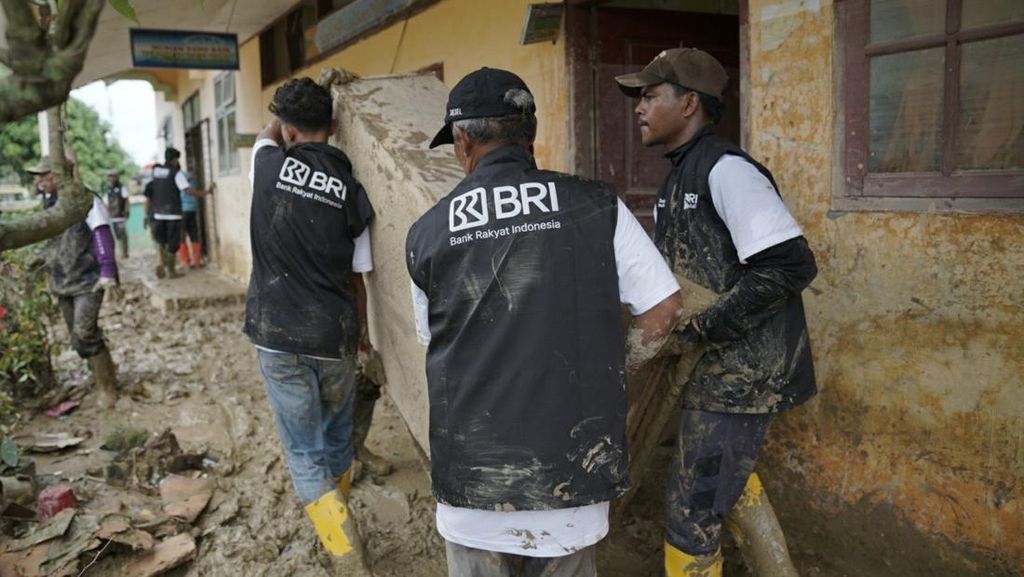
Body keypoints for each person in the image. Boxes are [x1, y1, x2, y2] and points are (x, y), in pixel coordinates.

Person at [406, 67, 682, 577]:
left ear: (462, 139)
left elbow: (436, 344)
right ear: (529, 132)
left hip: (473, 485)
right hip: (570, 482)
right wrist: (613, 375)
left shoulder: (427, 233)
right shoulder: (598, 206)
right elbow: (663, 310)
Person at [615, 47, 818, 576]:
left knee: (692, 508)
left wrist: (707, 325)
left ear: (688, 104)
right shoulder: (680, 175)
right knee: (725, 475)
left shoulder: (726, 170)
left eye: (651, 96)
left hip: (741, 370)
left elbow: (790, 265)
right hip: (717, 369)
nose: (639, 107)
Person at [244, 77, 375, 573]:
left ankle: (345, 552)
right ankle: (335, 515)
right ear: (336, 128)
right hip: (335, 337)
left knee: (303, 451)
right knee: (337, 438)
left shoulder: (267, 165)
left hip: (278, 338)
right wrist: (360, 339)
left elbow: (267, 132)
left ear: (289, 131)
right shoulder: (353, 192)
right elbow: (359, 278)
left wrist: (287, 114)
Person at [26, 157, 121, 408]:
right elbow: (54, 242)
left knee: (84, 331)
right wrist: (39, 260)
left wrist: (108, 270)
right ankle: (104, 372)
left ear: (58, 176)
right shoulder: (50, 204)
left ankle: (107, 388)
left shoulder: (85, 200)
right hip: (61, 279)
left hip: (88, 279)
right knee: (77, 338)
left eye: (44, 176)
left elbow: (101, 232)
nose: (39, 182)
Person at [144, 147, 193, 279]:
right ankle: (171, 271)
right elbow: (187, 190)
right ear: (175, 159)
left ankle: (162, 265)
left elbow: (151, 190)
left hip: (158, 214)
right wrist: (203, 192)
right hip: (173, 214)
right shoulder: (176, 173)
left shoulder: (156, 171)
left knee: (162, 241)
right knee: (173, 243)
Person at [176, 170, 208, 269]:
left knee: (182, 236)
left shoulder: (178, 177)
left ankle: (186, 262)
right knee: (194, 235)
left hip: (183, 211)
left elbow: (189, 192)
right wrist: (206, 192)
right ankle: (197, 261)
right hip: (192, 210)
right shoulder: (189, 176)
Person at [104, 168, 130, 260]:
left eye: (113, 176)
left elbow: (126, 200)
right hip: (112, 215)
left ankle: (125, 253)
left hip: (120, 214)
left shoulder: (122, 187)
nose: (111, 178)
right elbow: (106, 202)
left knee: (122, 234)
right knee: (116, 235)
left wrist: (126, 210)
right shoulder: (107, 189)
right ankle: (119, 253)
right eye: (110, 176)